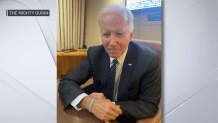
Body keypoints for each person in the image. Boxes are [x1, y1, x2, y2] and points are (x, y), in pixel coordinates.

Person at [58, 5, 161, 123]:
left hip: (125, 118)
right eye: (106, 34)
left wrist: (107, 105)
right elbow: (67, 82)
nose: (112, 43)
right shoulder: (95, 53)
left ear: (130, 35)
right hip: (94, 117)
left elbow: (149, 105)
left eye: (119, 34)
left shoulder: (148, 59)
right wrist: (89, 103)